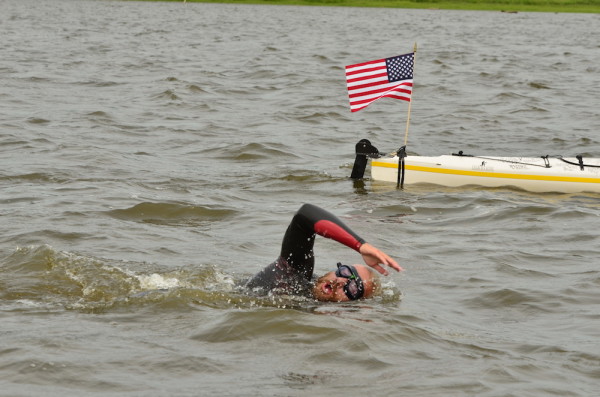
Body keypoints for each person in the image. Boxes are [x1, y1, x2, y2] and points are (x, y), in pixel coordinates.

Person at [246, 204, 402, 302]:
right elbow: (303, 215)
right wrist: (360, 245)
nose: (341, 281)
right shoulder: (293, 275)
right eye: (346, 272)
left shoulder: (313, 310)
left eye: (353, 288)